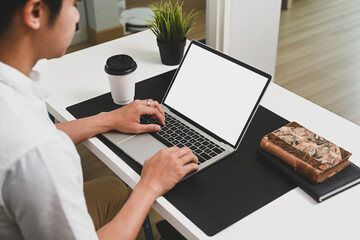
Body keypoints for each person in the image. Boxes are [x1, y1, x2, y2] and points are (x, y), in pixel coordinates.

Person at [0, 0, 199, 239]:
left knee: (113, 189)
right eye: (72, 5)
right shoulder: (40, 151)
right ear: (35, 12)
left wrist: (109, 119)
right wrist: (150, 186)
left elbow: (38, 135)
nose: (76, 16)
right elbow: (36, 145)